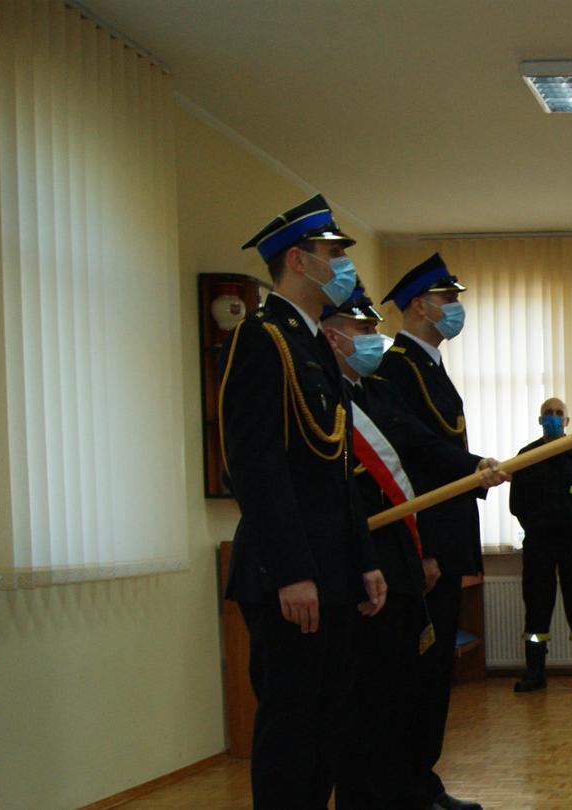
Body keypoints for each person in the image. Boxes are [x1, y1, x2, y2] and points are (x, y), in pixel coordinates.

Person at [220, 194, 387, 808]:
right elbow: (256, 467)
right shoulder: (262, 339)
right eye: (333, 253)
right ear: (298, 260)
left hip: (334, 572)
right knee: (291, 735)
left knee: (327, 732)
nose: (344, 265)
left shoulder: (314, 343)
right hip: (289, 576)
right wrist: (293, 571)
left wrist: (363, 558)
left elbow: (337, 472)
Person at [319, 285, 508, 809]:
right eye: (363, 331)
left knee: (401, 687)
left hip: (400, 559)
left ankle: (406, 787)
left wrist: (473, 467)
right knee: (368, 694)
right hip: (367, 563)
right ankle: (374, 794)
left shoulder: (378, 393)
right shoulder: (326, 396)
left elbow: (421, 447)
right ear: (332, 338)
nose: (374, 339)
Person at [376, 253, 485, 810]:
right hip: (424, 545)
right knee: (417, 676)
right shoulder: (395, 369)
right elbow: (408, 457)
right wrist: (474, 469)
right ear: (420, 306)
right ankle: (408, 786)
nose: (456, 310)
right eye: (448, 301)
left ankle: (422, 779)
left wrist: (475, 470)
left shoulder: (429, 366)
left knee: (435, 672)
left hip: (445, 539)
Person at [507, 397, 572, 692]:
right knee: (536, 609)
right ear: (539, 420)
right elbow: (516, 505)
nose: (552, 417)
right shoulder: (525, 457)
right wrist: (538, 528)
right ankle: (535, 674)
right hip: (539, 545)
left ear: (567, 421)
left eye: (557, 413)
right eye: (547, 413)